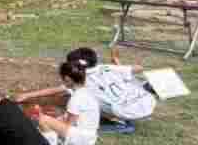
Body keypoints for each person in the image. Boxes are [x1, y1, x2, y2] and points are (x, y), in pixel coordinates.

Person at [15, 47, 156, 134]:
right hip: (148, 101)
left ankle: (120, 123)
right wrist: (116, 63)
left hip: (128, 111)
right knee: (123, 85)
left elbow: (59, 89)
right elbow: (139, 68)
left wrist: (27, 95)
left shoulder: (82, 79)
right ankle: (119, 116)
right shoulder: (105, 67)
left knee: (82, 99)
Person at [32, 61, 101, 145]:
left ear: (67, 79)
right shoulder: (86, 91)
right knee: (52, 121)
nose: (62, 81)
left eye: (62, 78)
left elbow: (68, 124)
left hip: (82, 138)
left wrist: (45, 119)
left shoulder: (76, 98)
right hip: (89, 135)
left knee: (43, 120)